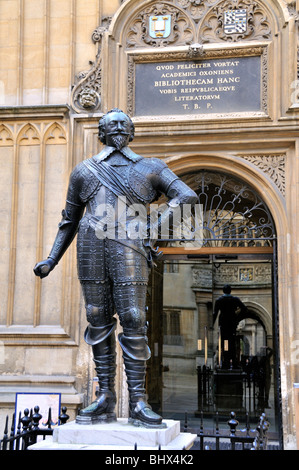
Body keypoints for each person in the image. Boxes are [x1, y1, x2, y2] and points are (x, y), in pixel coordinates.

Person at [34, 108, 198, 428]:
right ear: (101, 133)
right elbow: (69, 220)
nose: (119, 127)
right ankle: (105, 395)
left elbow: (186, 195)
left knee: (134, 317)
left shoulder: (151, 167)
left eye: (124, 123)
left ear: (132, 132)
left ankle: (137, 400)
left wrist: (153, 227)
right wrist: (52, 259)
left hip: (129, 245)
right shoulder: (84, 171)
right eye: (111, 124)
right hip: (90, 245)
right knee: (97, 316)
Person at [213, 285, 247, 368]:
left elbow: (215, 313)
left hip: (224, 322)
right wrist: (237, 316)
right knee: (232, 341)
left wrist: (212, 324)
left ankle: (226, 362)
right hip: (232, 322)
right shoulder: (235, 299)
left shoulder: (219, 300)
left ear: (223, 291)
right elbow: (244, 309)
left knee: (225, 342)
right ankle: (234, 362)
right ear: (230, 291)